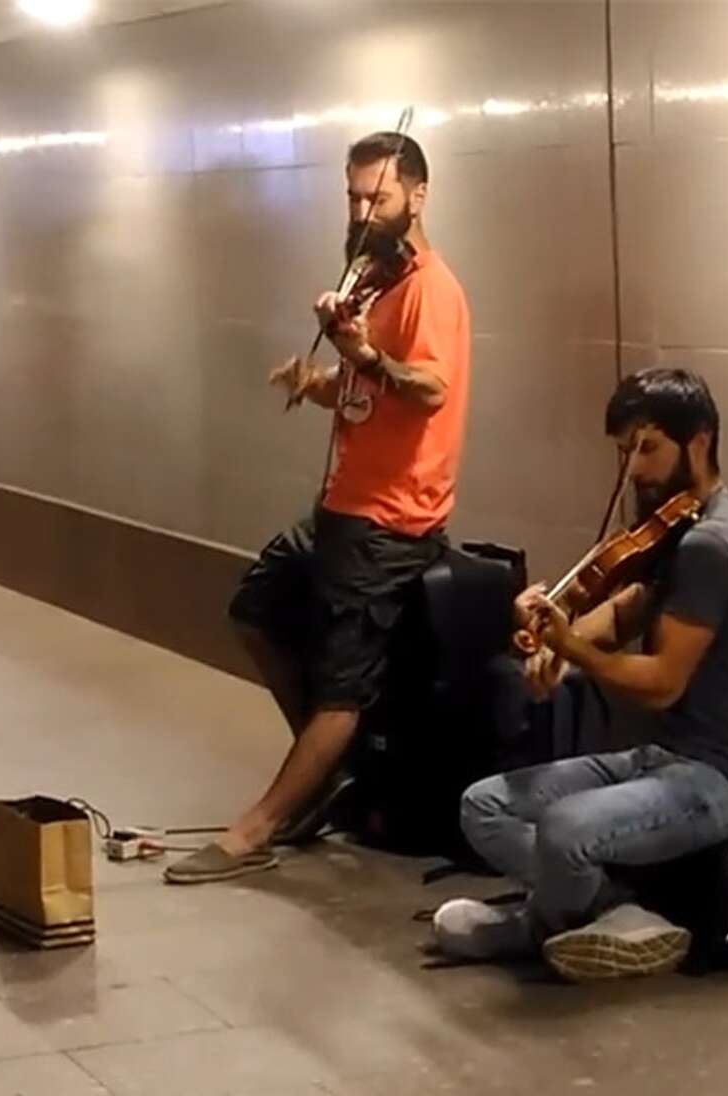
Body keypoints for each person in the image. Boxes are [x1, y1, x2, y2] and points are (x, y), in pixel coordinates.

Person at [165, 131, 472, 883]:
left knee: (344, 682)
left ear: (418, 196)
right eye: (354, 196)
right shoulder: (375, 280)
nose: (365, 211)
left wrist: (364, 355)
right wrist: (320, 379)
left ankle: (259, 826)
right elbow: (370, 390)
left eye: (380, 197)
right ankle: (327, 766)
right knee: (255, 608)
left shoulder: (432, 288)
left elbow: (428, 387)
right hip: (340, 504)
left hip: (391, 520)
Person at [431, 368, 728, 982]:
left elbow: (663, 681)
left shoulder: (713, 544)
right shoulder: (680, 531)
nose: (634, 471)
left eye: (648, 449)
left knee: (565, 828)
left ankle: (542, 924)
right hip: (667, 757)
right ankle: (612, 915)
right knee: (484, 805)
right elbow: (622, 615)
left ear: (698, 443)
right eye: (627, 452)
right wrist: (556, 643)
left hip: (727, 779)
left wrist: (579, 652)